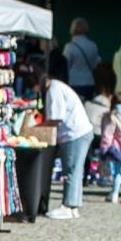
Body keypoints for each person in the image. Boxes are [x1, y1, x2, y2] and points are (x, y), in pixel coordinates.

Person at [42, 72, 93, 219]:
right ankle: (73, 205)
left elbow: (56, 117)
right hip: (80, 132)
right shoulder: (60, 87)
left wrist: (40, 126)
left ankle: (68, 205)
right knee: (75, 169)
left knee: (71, 169)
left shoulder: (54, 88)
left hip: (74, 133)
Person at [63, 18, 102, 101]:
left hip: (74, 82)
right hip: (89, 82)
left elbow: (65, 65)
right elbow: (95, 65)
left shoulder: (69, 47)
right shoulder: (93, 45)